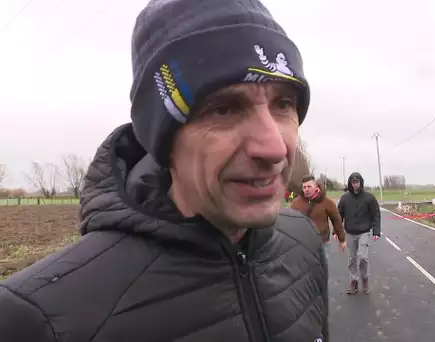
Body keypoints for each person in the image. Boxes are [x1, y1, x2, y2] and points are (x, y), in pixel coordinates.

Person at [0, 1, 329, 341]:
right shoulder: (38, 318)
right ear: (161, 138)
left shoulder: (304, 243)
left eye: (284, 104)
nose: (274, 148)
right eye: (223, 108)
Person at [338, 172, 381, 295]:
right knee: (352, 259)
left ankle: (365, 279)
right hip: (350, 232)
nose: (355, 185)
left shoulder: (369, 198)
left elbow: (376, 215)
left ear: (361, 183)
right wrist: (337, 230)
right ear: (350, 184)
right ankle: (353, 282)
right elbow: (339, 214)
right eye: (353, 182)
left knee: (363, 257)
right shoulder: (345, 198)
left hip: (364, 232)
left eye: (357, 182)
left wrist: (376, 231)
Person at [291, 175, 347, 258]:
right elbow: (290, 222)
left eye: (309, 186)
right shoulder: (296, 203)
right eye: (304, 187)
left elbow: (336, 221)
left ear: (316, 187)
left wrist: (342, 239)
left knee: (321, 269)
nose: (306, 189)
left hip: (322, 242)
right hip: (302, 243)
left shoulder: (327, 202)